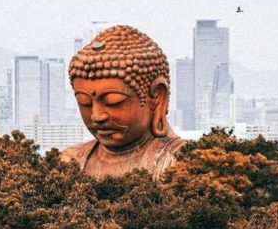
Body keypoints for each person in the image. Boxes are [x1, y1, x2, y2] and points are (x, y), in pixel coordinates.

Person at [60, 25, 185, 181]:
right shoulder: (68, 162)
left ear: (157, 96)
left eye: (113, 101)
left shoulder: (179, 165)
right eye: (84, 102)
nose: (97, 116)